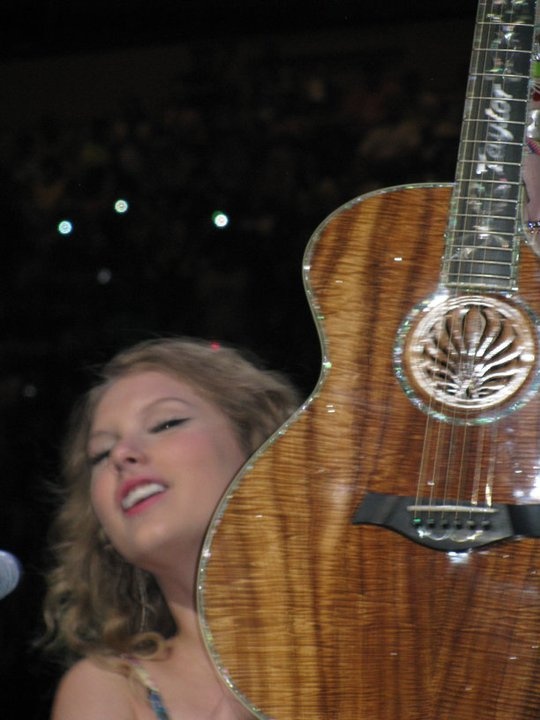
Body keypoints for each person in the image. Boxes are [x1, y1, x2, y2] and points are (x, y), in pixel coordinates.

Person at [42, 337, 300, 720]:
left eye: (165, 423)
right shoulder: (109, 691)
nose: (121, 455)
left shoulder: (378, 622)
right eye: (101, 453)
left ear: (259, 445)